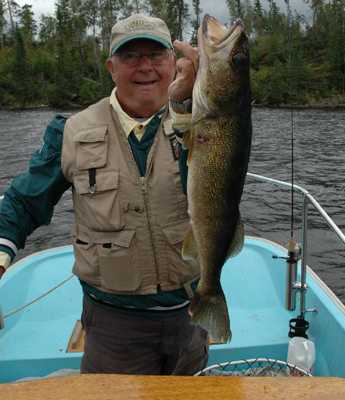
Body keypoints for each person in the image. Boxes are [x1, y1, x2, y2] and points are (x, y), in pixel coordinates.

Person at [0, 14, 209, 375]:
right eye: (131, 56)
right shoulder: (71, 131)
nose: (145, 67)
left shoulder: (203, 125)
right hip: (114, 322)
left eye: (156, 55)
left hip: (190, 311)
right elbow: (22, 202)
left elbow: (218, 188)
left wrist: (198, 98)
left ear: (174, 64)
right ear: (112, 68)